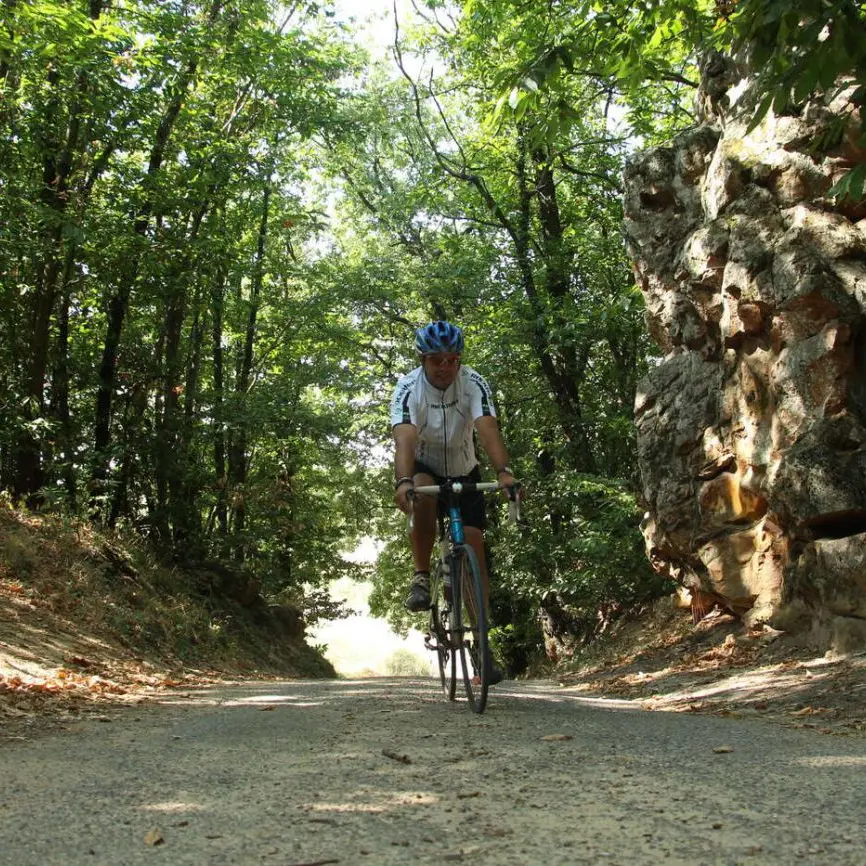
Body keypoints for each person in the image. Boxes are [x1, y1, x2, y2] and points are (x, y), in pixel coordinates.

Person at [389, 320, 516, 683]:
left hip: (465, 469)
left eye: (452, 360)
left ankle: (482, 644)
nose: (445, 367)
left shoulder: (473, 382)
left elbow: (487, 426)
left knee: (474, 545)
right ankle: (421, 576)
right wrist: (403, 481)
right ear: (422, 360)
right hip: (425, 466)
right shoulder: (407, 389)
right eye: (436, 360)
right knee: (424, 490)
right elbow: (404, 438)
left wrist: (504, 471)